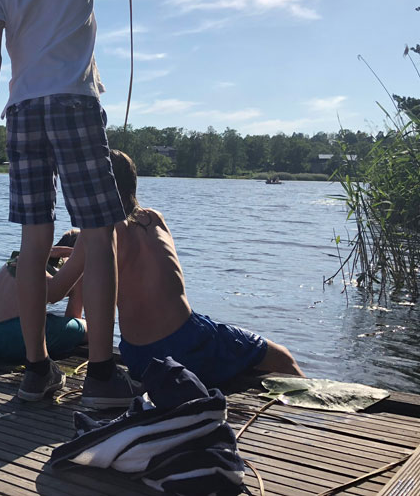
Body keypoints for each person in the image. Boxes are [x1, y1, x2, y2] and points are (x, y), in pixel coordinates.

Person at [0, 0, 143, 407]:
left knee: (33, 242)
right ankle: (104, 375)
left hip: (22, 114)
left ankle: (36, 369)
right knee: (101, 233)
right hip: (74, 107)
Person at [108, 150, 304, 387]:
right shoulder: (152, 219)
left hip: (138, 358)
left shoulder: (96, 237)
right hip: (190, 344)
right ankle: (313, 416)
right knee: (282, 357)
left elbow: (57, 291)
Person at [0, 230, 86, 361]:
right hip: (9, 337)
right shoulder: (60, 271)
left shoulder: (21, 258)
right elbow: (75, 320)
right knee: (87, 328)